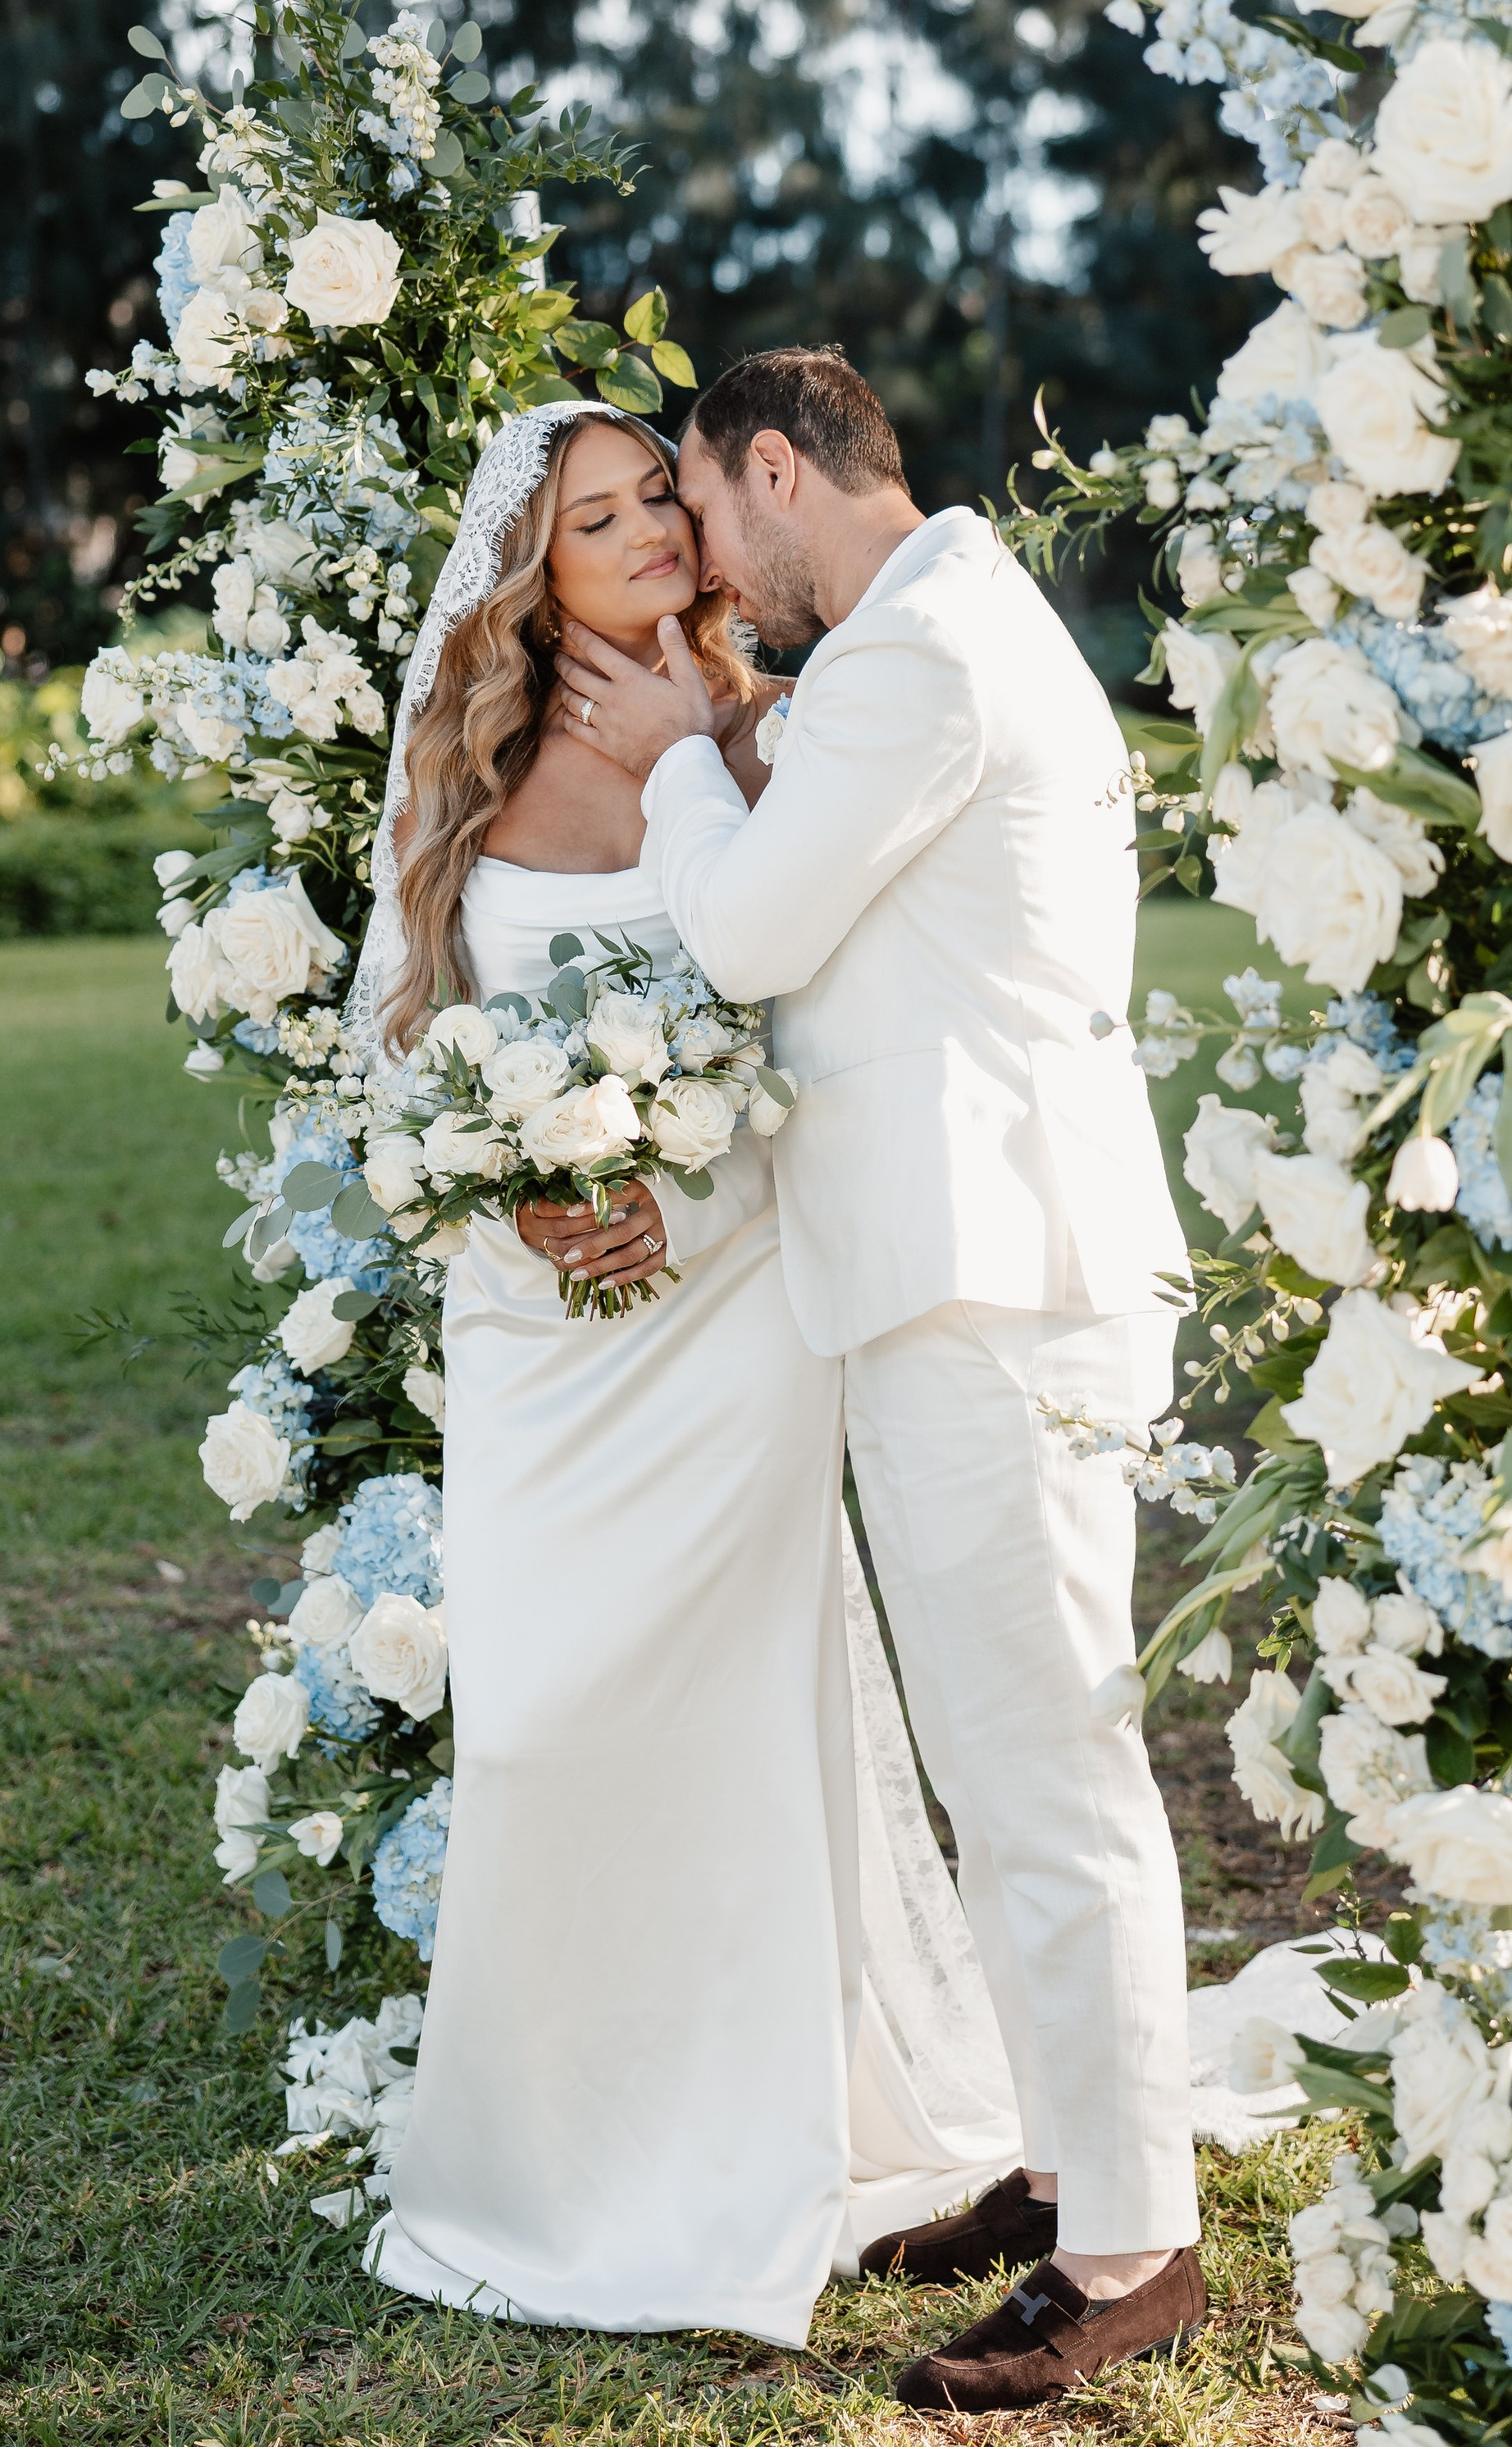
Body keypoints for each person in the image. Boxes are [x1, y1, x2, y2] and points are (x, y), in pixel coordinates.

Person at [553, 347, 1207, 2414]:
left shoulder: (927, 648)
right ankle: (1061, 2153)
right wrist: (736, 726)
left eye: (700, 505)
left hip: (990, 1284)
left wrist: (673, 749)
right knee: (1003, 1762)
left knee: (1043, 1773)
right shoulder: (928, 631)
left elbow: (746, 935)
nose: (699, 563)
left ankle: (1124, 2254)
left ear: (774, 469)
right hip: (954, 1272)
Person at [348, 399, 1020, 2340]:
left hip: (724, 1312)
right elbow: (404, 1054)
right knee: (546, 1720)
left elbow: (815, 1018)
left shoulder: (753, 733)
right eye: (599, 514)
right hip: (532, 1338)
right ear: (525, 564)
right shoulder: (457, 764)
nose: (652, 532)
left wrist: (677, 1188)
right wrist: (515, 1199)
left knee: (729, 1727)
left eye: (664, 496)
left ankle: (746, 2148)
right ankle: (551, 2157)